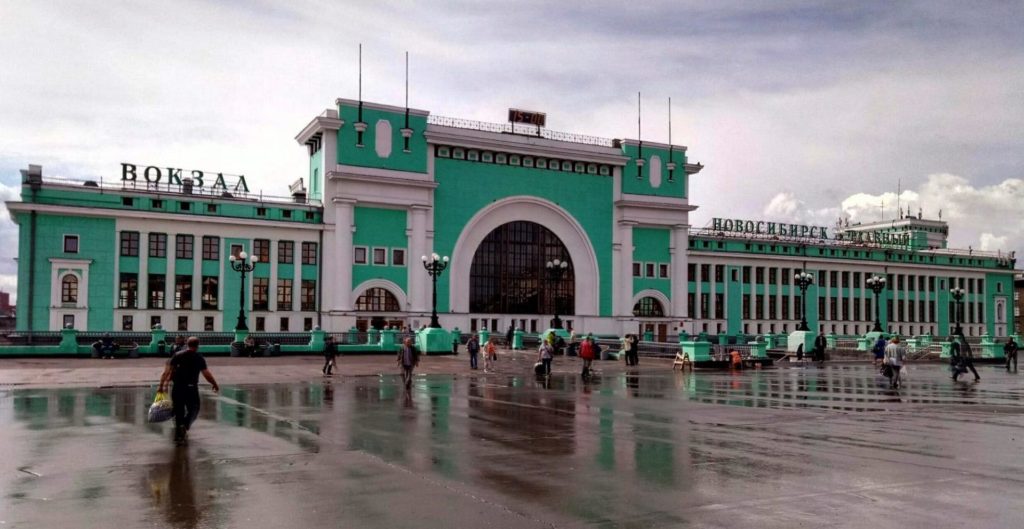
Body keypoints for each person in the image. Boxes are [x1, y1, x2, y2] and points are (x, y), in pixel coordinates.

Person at [158, 337, 219, 445]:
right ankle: (185, 425)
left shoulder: (177, 355)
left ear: (187, 344)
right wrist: (214, 384)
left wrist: (161, 385)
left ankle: (179, 435)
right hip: (191, 388)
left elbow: (167, 372)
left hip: (177, 388)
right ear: (198, 345)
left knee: (178, 411)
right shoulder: (198, 357)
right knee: (194, 409)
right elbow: (206, 374)